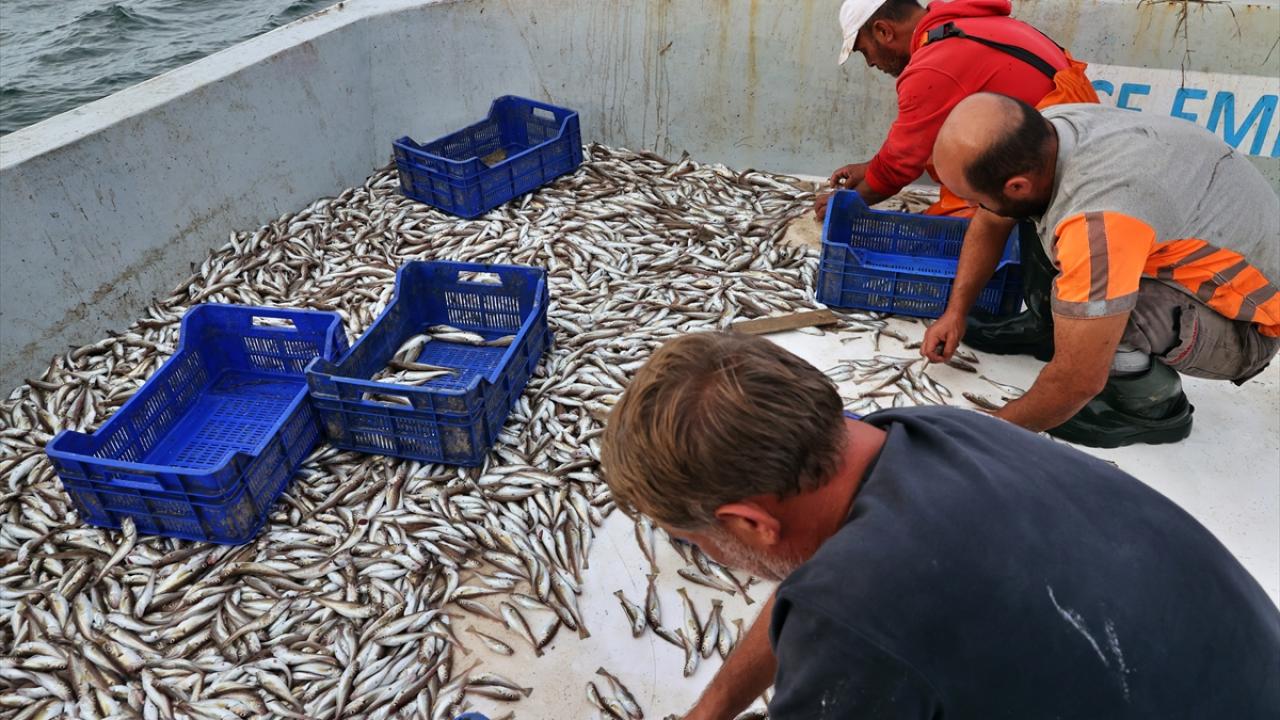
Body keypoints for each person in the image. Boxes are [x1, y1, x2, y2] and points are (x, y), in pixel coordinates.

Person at [601, 331, 1280, 720]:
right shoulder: (929, 430)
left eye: (698, 543)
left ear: (748, 523)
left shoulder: (858, 614)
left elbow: (844, 606)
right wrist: (716, 704)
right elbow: (823, 584)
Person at [924, 93, 1280, 447]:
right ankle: (1048, 327)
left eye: (973, 199)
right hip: (1191, 234)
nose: (972, 207)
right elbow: (993, 218)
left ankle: (1152, 407)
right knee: (1033, 214)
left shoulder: (1101, 220)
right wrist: (956, 312)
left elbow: (1078, 381)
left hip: (1249, 325)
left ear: (1018, 183)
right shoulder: (1049, 132)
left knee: (1104, 298)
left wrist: (976, 437)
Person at [820, 0, 1100, 363]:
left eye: (864, 51)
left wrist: (850, 204)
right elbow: (910, 144)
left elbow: (901, 163)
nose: (871, 62)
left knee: (963, 231)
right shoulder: (957, 25)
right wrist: (870, 167)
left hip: (1063, 167)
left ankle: (1045, 325)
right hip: (1070, 133)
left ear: (884, 31)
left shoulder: (933, 64)